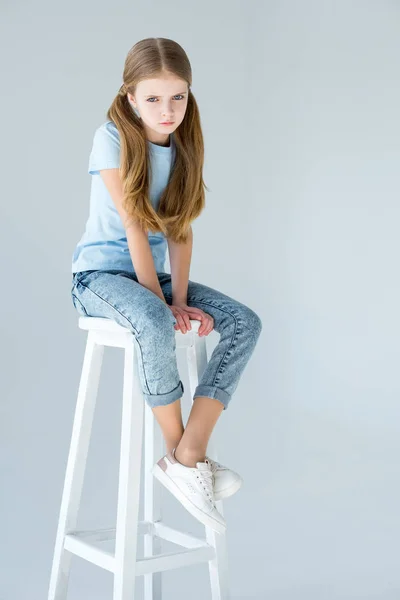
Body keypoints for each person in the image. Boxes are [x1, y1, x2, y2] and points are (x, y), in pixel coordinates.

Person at [70, 37, 262, 534]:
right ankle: (181, 461)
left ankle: (188, 450)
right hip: (102, 277)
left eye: (178, 96)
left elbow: (179, 227)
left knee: (245, 321)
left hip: (155, 277)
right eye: (153, 98)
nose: (168, 109)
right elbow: (136, 224)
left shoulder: (184, 144)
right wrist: (161, 303)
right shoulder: (111, 137)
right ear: (130, 96)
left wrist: (178, 297)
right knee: (154, 320)